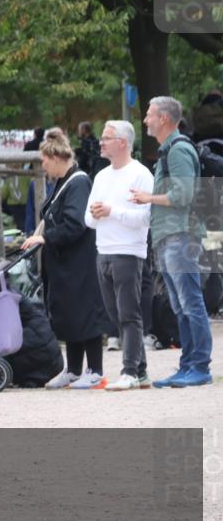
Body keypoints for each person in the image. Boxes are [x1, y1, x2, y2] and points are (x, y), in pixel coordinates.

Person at [130, 96, 213, 387]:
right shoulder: (168, 151)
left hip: (182, 237)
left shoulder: (178, 151)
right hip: (168, 238)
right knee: (180, 306)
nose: (145, 120)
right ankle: (188, 365)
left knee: (191, 303)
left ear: (164, 118)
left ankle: (199, 366)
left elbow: (183, 196)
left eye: (150, 115)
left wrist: (147, 198)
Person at [21, 128, 112, 389]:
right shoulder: (62, 182)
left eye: (44, 160)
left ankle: (95, 370)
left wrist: (45, 237)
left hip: (78, 263)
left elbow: (75, 223)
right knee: (69, 313)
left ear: (56, 156)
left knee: (85, 312)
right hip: (62, 264)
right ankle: (73, 370)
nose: (43, 165)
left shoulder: (79, 182)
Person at [84, 120, 155, 391]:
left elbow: (145, 218)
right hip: (103, 251)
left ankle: (129, 372)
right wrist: (96, 213)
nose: (101, 142)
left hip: (128, 252)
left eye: (107, 137)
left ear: (123, 142)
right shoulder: (101, 176)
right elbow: (87, 220)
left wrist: (112, 211)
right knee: (116, 316)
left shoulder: (140, 174)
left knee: (128, 315)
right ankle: (142, 371)